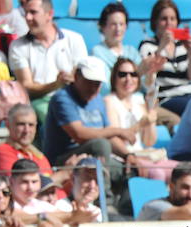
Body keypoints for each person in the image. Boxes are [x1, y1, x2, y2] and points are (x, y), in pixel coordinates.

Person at [43, 56, 132, 216]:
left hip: (94, 156)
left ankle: (127, 211)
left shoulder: (97, 99)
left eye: (97, 84)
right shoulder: (62, 98)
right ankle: (105, 202)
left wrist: (129, 155)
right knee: (101, 145)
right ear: (76, 76)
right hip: (64, 158)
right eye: (89, 81)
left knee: (129, 167)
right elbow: (79, 134)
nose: (93, 88)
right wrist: (117, 130)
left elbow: (108, 134)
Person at [8, 0, 88, 128]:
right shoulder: (18, 46)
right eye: (26, 12)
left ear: (49, 14)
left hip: (73, 99)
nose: (28, 17)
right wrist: (56, 85)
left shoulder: (75, 39)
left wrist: (72, 79)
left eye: (33, 12)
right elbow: (27, 87)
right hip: (39, 103)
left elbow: (83, 77)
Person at [104, 57, 177, 182]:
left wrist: (151, 120)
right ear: (114, 78)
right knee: (157, 174)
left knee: (182, 170)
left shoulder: (139, 101)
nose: (128, 79)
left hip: (143, 154)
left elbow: (148, 141)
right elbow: (115, 137)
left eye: (133, 74)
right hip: (122, 157)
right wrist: (140, 124)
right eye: (122, 75)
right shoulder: (109, 101)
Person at [138, 0, 191, 118]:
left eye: (172, 19)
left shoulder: (182, 46)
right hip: (167, 97)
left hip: (190, 94)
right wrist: (161, 47)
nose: (168, 23)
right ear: (155, 22)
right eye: (164, 19)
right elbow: (147, 73)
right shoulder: (147, 45)